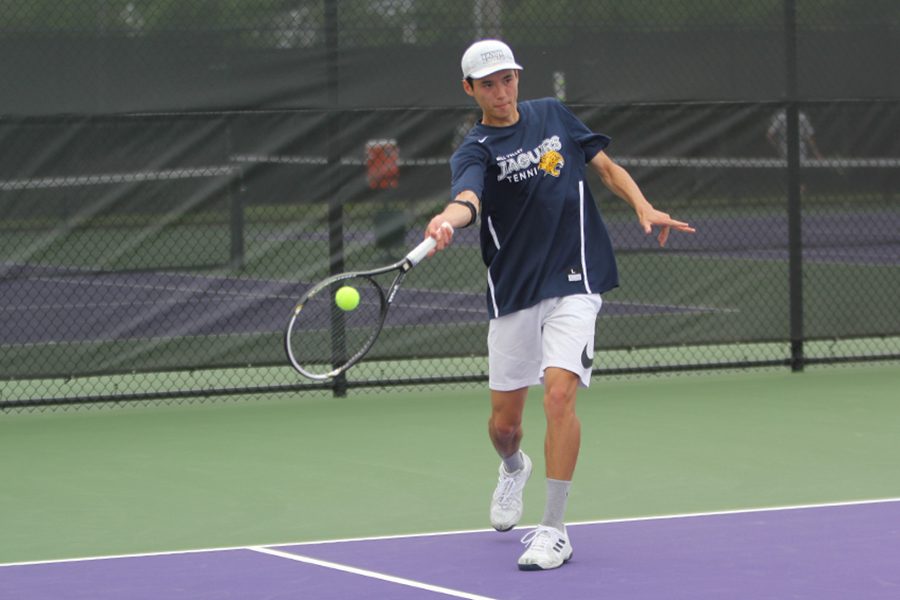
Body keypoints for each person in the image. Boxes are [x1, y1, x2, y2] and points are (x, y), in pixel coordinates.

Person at [424, 39, 695, 571]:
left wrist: (643, 204)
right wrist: (447, 220)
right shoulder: (474, 149)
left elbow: (606, 168)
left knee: (559, 395)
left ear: (518, 78)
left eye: (508, 79)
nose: (501, 92)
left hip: (575, 277)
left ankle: (554, 529)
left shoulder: (553, 115)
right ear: (469, 89)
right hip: (515, 291)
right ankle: (512, 467)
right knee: (505, 425)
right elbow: (468, 200)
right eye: (488, 84)